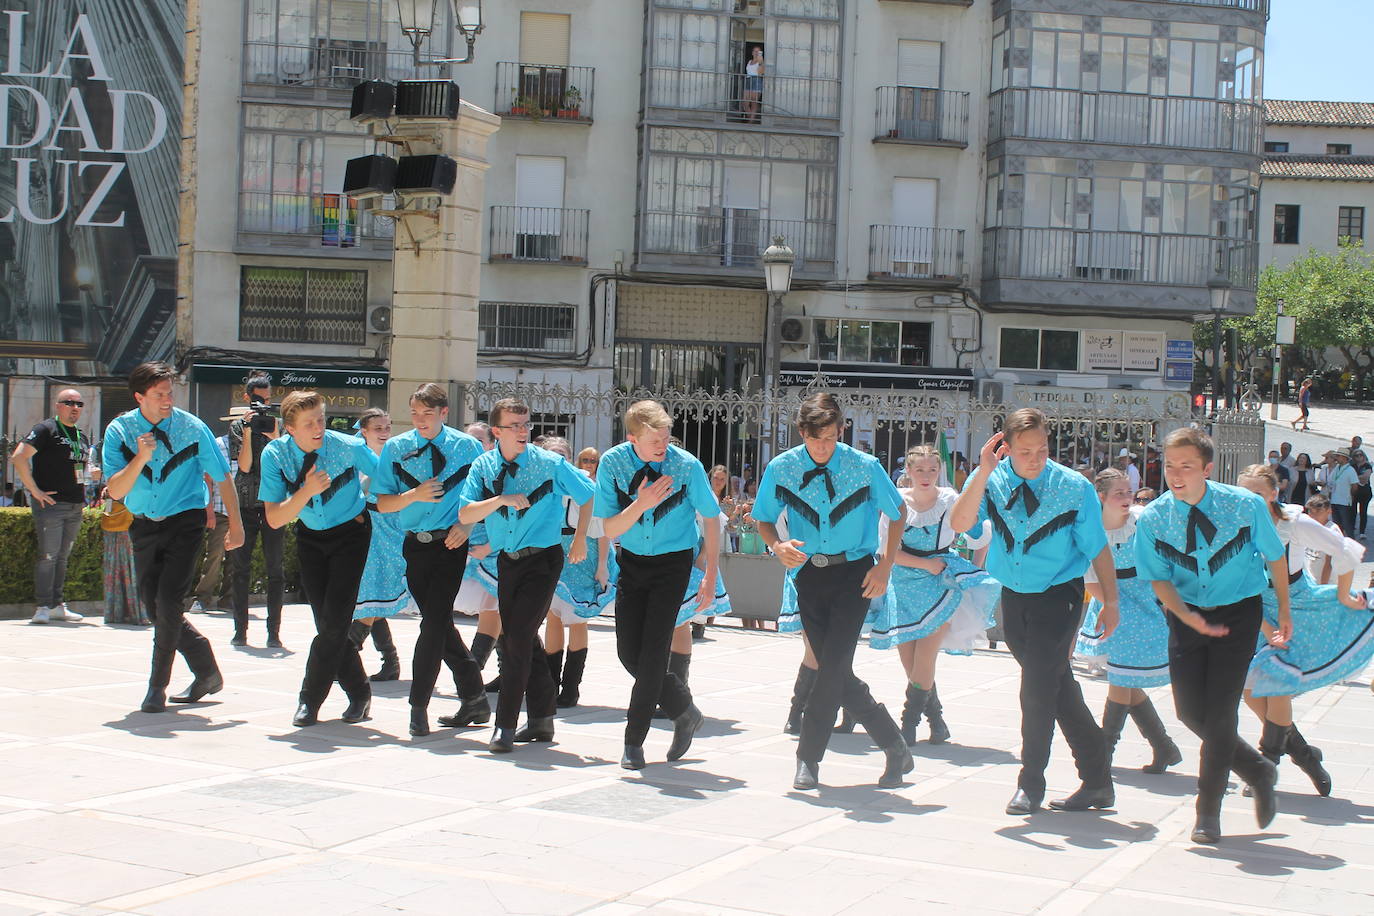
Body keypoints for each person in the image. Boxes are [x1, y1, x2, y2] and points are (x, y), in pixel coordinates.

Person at [949, 407, 1118, 816]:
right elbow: (959, 523)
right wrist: (983, 472)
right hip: (1015, 596)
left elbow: (1097, 547)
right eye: (1025, 451)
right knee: (1057, 688)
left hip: (1060, 596)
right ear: (1006, 448)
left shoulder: (1073, 487)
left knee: (1036, 690)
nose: (1036, 458)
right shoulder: (994, 479)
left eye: (1042, 448)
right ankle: (1098, 780)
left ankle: (1031, 784)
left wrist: (1111, 601)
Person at [1134, 427, 1289, 844]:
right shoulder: (1153, 517)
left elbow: (1275, 557)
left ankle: (1208, 811)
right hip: (1187, 617)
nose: (1176, 474)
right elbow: (1159, 579)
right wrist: (1188, 617)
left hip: (1239, 613)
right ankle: (1257, 768)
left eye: (1186, 465)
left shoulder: (1245, 506)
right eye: (1169, 466)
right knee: (1189, 712)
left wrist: (1284, 610)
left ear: (1207, 468)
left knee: (1221, 715)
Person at [752, 392, 913, 791]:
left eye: (830, 437)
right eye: (815, 439)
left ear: (840, 430)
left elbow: (898, 513)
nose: (823, 447)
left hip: (854, 575)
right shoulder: (781, 467)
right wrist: (777, 546)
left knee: (832, 668)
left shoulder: (865, 466)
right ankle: (895, 745)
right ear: (802, 433)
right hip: (808, 574)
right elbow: (763, 519)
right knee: (833, 670)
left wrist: (885, 564)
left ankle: (807, 759)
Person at [103, 362, 244, 713]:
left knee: (168, 604)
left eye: (170, 392)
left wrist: (237, 525)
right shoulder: (119, 431)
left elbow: (224, 478)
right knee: (153, 606)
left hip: (186, 521)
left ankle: (156, 688)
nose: (168, 399)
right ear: (140, 397)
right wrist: (141, 457)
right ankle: (206, 669)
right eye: (159, 394)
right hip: (143, 524)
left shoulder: (192, 428)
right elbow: (116, 490)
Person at [459, 400, 595, 753]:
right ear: (497, 432)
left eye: (526, 424)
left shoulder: (549, 462)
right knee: (522, 638)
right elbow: (466, 511)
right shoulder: (484, 466)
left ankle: (504, 725)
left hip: (543, 561)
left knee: (516, 637)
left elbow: (588, 495)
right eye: (515, 425)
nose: (523, 431)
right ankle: (541, 718)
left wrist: (580, 537)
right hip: (507, 560)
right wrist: (500, 499)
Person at [595, 399, 719, 770]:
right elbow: (607, 528)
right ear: (632, 437)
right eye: (654, 441)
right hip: (632, 562)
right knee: (628, 654)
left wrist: (710, 574)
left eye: (666, 438)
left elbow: (711, 518)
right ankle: (684, 709)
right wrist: (640, 504)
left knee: (652, 655)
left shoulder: (686, 465)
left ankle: (634, 742)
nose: (663, 446)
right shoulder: (612, 463)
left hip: (673, 564)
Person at [1237, 464, 1370, 798]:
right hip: (1253, 611)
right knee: (1251, 693)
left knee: (1275, 685)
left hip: (1294, 608)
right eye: (1243, 494)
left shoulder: (1292, 521)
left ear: (1274, 493)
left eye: (1256, 494)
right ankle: (1305, 754)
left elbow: (1343, 548)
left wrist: (1342, 593)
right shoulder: (1236, 524)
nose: (1248, 501)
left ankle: (1265, 767)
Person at [371, 383, 490, 738]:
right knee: (439, 625)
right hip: (414, 546)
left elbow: (485, 493)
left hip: (450, 545)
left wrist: (467, 527)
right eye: (415, 414)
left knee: (433, 624)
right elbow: (383, 503)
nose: (420, 421)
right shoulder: (397, 447)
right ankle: (474, 696)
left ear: (443, 413)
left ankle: (417, 705)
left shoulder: (466, 446)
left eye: (428, 414)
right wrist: (413, 494)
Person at [258, 391, 379, 726]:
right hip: (311, 538)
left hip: (352, 534)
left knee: (335, 622)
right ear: (289, 428)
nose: (318, 427)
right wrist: (306, 491)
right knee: (327, 625)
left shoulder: (348, 446)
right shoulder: (275, 455)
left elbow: (386, 477)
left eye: (321, 419)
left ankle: (309, 700)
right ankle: (360, 692)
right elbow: (275, 518)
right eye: (309, 423)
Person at [867, 445, 1000, 747]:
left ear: (939, 471)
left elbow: (979, 536)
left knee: (925, 658)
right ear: (909, 472)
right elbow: (887, 551)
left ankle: (908, 724)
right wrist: (924, 563)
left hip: (938, 584)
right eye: (919, 470)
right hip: (901, 584)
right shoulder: (897, 501)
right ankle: (937, 721)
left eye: (932, 470)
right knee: (911, 664)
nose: (926, 475)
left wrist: (971, 572)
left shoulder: (950, 500)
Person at [1074, 469, 1182, 775]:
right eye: (1119, 493)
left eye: (1128, 491)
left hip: (1143, 600)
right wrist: (1111, 603)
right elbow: (1089, 579)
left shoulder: (1141, 521)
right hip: (1111, 600)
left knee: (1123, 678)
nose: (1127, 498)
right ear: (1102, 498)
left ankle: (1104, 752)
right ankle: (1163, 746)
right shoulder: (1091, 530)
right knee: (1124, 677)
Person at [12, 388, 100, 624]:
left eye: (79, 404)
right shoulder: (45, 429)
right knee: (48, 556)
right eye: (69, 403)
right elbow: (18, 457)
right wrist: (34, 490)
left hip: (74, 504)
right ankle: (42, 606)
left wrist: (90, 475)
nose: (75, 408)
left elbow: (79, 470)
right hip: (51, 505)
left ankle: (57, 605)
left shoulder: (81, 437)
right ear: (58, 405)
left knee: (62, 557)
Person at [543, 440, 615, 709]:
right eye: (551, 455)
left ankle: (570, 687)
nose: (556, 459)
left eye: (561, 455)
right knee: (552, 615)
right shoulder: (543, 484)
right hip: (551, 551)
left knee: (576, 617)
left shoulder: (587, 486)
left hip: (583, 551)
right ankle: (548, 683)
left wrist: (603, 565)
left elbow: (604, 527)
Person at [349, 408, 410, 681]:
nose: (385, 432)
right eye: (378, 428)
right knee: (373, 594)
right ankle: (390, 660)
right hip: (365, 532)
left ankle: (346, 652)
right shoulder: (355, 458)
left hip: (390, 530)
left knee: (377, 592)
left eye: (387, 427)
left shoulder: (395, 456)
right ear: (364, 431)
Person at [226, 372, 285, 648]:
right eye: (258, 399)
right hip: (247, 504)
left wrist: (274, 436)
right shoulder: (239, 426)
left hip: (272, 505)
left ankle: (274, 632)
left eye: (268, 399)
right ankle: (241, 630)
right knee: (240, 569)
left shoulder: (278, 426)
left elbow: (284, 464)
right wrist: (250, 431)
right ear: (247, 398)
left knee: (276, 570)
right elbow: (245, 466)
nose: (263, 404)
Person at [187, 434, 231, 614]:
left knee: (238, 558)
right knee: (214, 555)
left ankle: (228, 599)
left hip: (242, 511)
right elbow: (208, 478)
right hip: (220, 510)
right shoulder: (219, 444)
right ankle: (202, 598)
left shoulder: (254, 445)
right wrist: (209, 511)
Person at [101, 492, 148, 625]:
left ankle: (116, 612)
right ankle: (137, 613)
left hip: (118, 518)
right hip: (130, 521)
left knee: (117, 565)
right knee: (133, 565)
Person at [1302, 494, 1340, 584]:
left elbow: (1329, 564)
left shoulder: (1332, 531)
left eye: (1318, 512)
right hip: (1309, 581)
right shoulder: (1309, 526)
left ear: (1329, 511)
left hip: (1325, 582)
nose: (1314, 516)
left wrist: (1323, 587)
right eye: (1311, 512)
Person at [1325, 448, 1359, 535]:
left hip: (1344, 502)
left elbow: (1355, 486)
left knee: (1347, 525)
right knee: (1336, 525)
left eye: (1338, 456)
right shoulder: (1337, 468)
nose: (1336, 458)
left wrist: (1350, 495)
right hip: (1335, 500)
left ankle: (1351, 543)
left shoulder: (1350, 470)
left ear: (1344, 458)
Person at [742, 45, 764, 123]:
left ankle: (750, 122)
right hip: (748, 80)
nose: (756, 53)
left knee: (754, 103)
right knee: (745, 103)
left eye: (758, 51)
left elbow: (761, 73)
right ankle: (751, 118)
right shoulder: (749, 61)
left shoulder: (760, 62)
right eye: (755, 51)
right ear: (752, 52)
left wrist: (761, 63)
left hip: (756, 80)